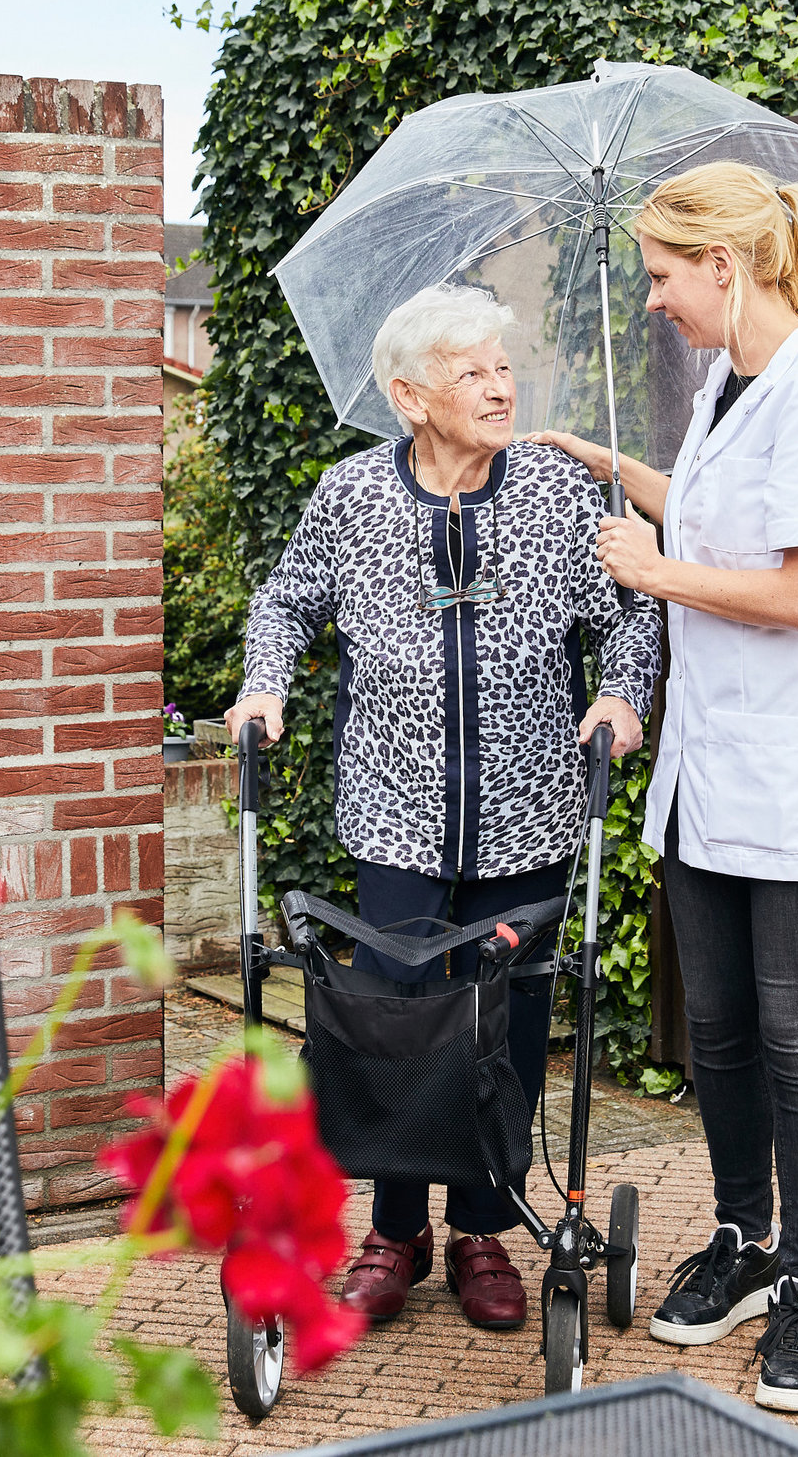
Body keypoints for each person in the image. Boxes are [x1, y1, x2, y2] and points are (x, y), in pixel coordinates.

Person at [530, 161, 798, 1414]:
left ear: (726, 268)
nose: (652, 301)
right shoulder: (723, 386)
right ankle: (742, 1239)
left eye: (660, 276)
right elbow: (709, 513)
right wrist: (611, 466)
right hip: (709, 778)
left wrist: (651, 570)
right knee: (725, 1035)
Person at [227, 282, 660, 1333]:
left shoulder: (559, 493)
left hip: (526, 811)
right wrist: (264, 683)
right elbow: (285, 598)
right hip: (395, 815)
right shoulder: (351, 494)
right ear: (410, 393)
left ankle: (480, 1230)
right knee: (396, 1024)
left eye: (503, 367)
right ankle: (394, 1230)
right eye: (471, 371)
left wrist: (621, 692)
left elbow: (637, 603)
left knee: (503, 1026)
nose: (500, 386)